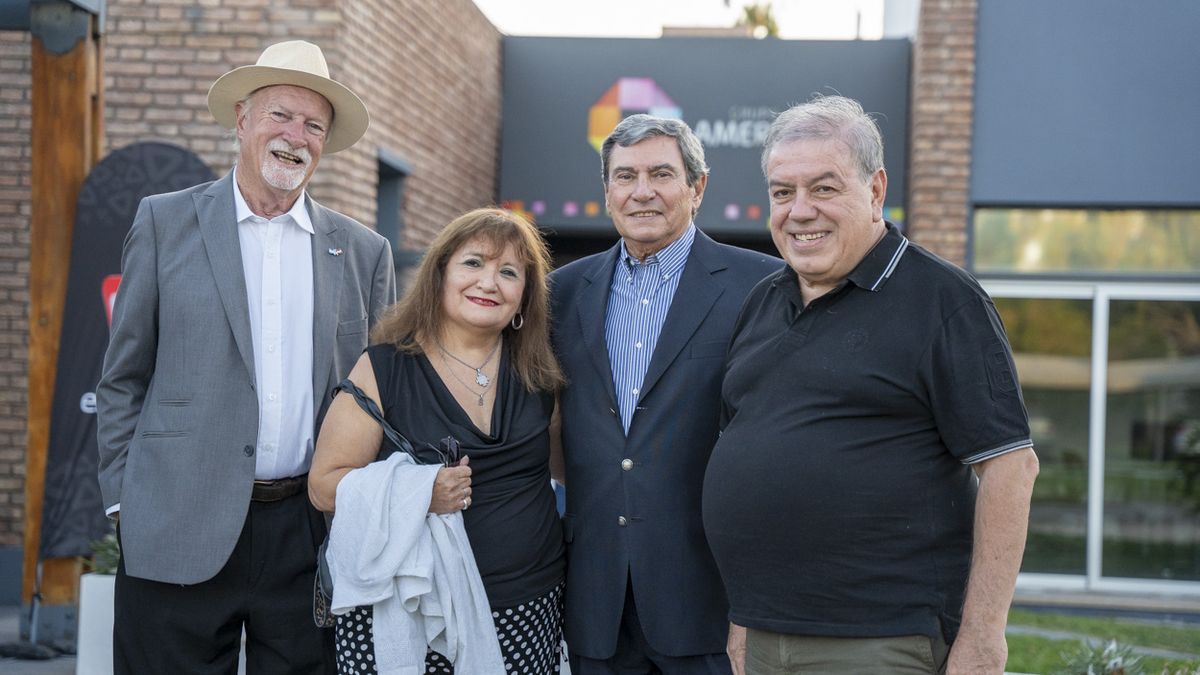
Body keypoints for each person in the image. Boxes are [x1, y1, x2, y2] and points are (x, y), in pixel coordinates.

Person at [701, 94, 1040, 675]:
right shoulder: (763, 301)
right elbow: (747, 454)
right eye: (783, 192)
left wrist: (984, 639)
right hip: (763, 633)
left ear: (876, 189)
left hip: (879, 641)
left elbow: (1010, 467)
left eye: (823, 188)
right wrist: (742, 621)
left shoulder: (943, 300)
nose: (799, 211)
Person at [96, 40, 395, 674]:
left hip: (309, 532)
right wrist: (124, 502)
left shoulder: (364, 252)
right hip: (175, 520)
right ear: (242, 119)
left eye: (314, 126)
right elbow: (123, 377)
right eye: (280, 115)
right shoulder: (164, 223)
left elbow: (380, 396)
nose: (296, 136)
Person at [550, 114, 780, 675]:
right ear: (608, 191)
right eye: (625, 176)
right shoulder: (561, 292)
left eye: (661, 174)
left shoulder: (763, 286)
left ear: (697, 187)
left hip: (709, 597)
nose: (642, 191)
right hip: (595, 596)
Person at [309, 207, 567, 674]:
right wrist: (420, 493)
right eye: (474, 263)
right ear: (439, 275)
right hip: (410, 610)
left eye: (509, 272)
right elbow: (324, 485)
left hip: (528, 605)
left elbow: (568, 469)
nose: (489, 282)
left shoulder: (540, 375)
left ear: (524, 298)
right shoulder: (385, 367)